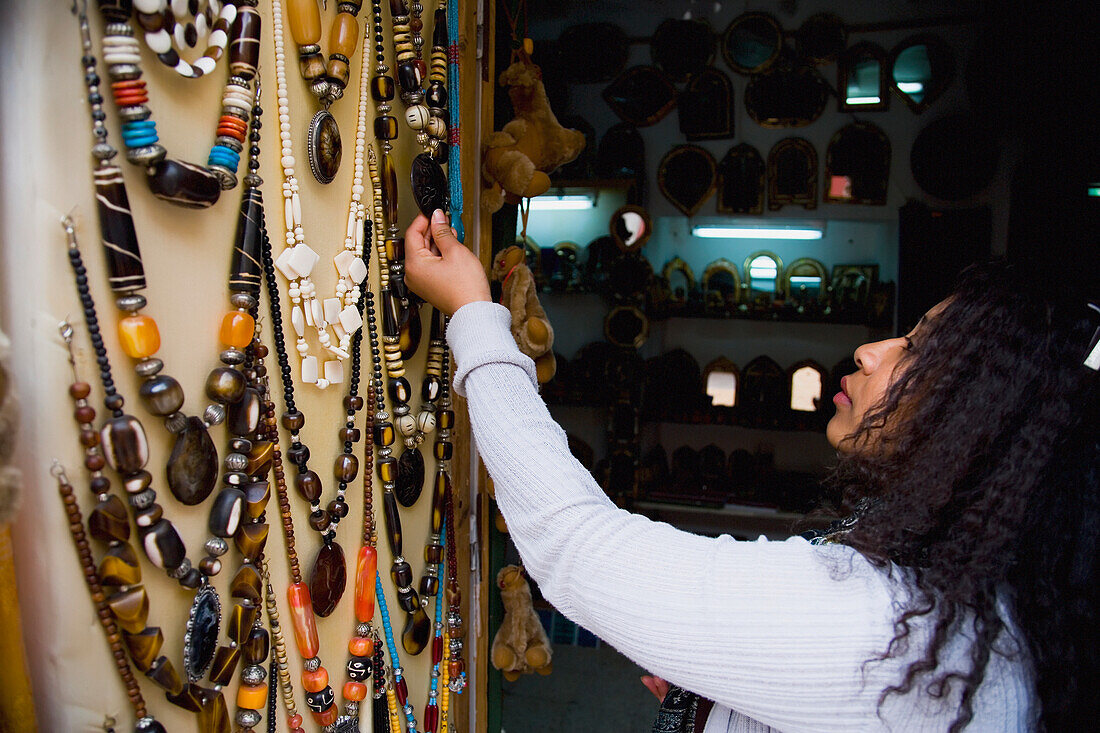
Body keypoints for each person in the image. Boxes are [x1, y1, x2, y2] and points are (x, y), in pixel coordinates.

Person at [405, 210, 1099, 731]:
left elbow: (573, 546)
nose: (869, 350)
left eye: (916, 350)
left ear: (979, 421)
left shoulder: (887, 632)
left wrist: (474, 316)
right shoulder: (977, 620)